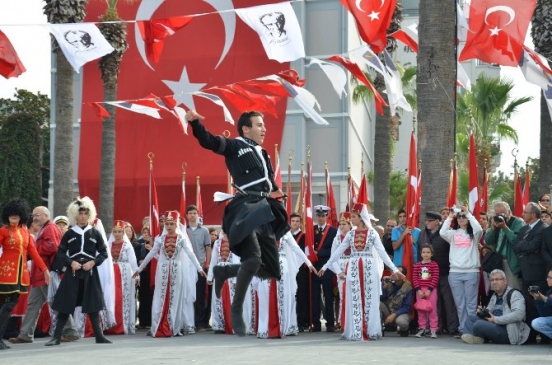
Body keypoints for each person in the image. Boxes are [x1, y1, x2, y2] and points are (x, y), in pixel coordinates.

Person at [188, 110, 289, 337]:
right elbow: (210, 141)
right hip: (244, 206)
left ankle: (224, 272)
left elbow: (270, 182)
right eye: (259, 125)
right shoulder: (235, 146)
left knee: (271, 270)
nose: (264, 129)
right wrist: (196, 122)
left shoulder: (263, 153)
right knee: (252, 257)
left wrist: (277, 192)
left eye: (264, 125)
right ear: (246, 128)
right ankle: (237, 310)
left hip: (263, 207)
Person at [319, 203, 405, 340]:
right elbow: (338, 252)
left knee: (369, 297)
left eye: (353, 216)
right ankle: (356, 329)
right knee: (354, 297)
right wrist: (325, 266)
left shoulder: (372, 234)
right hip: (353, 267)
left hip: (369, 267)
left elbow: (382, 253)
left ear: (360, 217)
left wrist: (394, 269)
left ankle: (370, 330)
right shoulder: (351, 234)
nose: (351, 219)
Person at [46, 197, 111, 346]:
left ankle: (99, 336)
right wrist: (71, 262)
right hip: (73, 273)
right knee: (65, 304)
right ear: (75, 214)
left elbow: (104, 253)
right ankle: (56, 337)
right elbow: (61, 253)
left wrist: (93, 262)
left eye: (85, 213)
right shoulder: (69, 233)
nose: (82, 216)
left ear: (90, 215)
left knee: (93, 305)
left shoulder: (95, 233)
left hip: (90, 273)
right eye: (80, 213)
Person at [9, 206, 79, 344]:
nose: (34, 218)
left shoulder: (50, 228)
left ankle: (70, 331)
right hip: (40, 273)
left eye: (37, 215)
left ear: (46, 215)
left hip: (47, 273)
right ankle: (25, 334)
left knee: (55, 302)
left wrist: (33, 249)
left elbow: (53, 246)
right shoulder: (45, 228)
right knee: (33, 304)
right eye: (33, 215)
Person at [133, 211, 206, 338]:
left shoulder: (181, 238)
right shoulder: (160, 239)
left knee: (175, 297)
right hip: (163, 269)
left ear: (176, 224)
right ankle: (158, 324)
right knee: (160, 296)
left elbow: (190, 254)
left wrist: (199, 268)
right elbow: (151, 254)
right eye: (167, 224)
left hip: (177, 270)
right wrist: (140, 268)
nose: (169, 226)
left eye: (172, 223)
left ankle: (173, 326)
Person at [0, 199, 50, 350]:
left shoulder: (25, 233)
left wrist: (44, 270)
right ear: (7, 215)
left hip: (21, 275)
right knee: (7, 305)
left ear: (21, 215)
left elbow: (34, 253)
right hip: (6, 273)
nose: (14, 216)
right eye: (11, 214)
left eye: (17, 214)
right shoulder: (3, 231)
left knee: (8, 304)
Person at [256, 231, 316, 338]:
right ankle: (266, 327)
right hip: (266, 265)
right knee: (266, 296)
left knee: (284, 296)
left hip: (282, 266)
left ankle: (284, 326)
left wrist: (308, 263)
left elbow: (296, 248)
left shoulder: (285, 231)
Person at [440, 205, 483, 337]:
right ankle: (463, 329)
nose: (462, 218)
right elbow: (442, 232)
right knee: (460, 304)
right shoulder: (452, 234)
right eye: (460, 216)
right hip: (455, 273)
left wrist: (468, 213)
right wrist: (450, 216)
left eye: (463, 216)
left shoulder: (474, 235)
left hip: (471, 272)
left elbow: (479, 229)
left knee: (471, 304)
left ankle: (471, 329)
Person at [461, 269, 529, 345]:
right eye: (492, 280)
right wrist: (482, 312)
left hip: (508, 331)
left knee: (478, 324)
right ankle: (474, 337)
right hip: (495, 325)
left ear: (505, 281)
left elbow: (519, 315)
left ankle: (477, 338)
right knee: (471, 318)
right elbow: (489, 311)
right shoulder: (495, 295)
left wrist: (496, 320)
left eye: (497, 279)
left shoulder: (515, 294)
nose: (494, 282)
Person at [418, 211, 459, 336]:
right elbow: (419, 253)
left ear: (437, 222)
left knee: (448, 301)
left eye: (429, 221)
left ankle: (452, 328)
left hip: (444, 271)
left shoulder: (445, 233)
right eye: (426, 221)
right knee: (433, 302)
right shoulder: (423, 233)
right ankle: (435, 328)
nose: (427, 223)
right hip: (427, 273)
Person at [513, 202, 547, 343]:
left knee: (538, 303)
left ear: (533, 214)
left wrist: (526, 247)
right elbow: (516, 246)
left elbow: (534, 245)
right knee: (527, 303)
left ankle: (544, 336)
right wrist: (526, 247)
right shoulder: (523, 229)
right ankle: (530, 335)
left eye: (525, 212)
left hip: (538, 273)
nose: (523, 214)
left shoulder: (543, 228)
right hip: (526, 272)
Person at [104, 220, 139, 335]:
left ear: (123, 232)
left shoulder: (127, 246)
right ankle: (111, 325)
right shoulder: (109, 244)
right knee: (112, 298)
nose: (117, 234)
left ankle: (123, 325)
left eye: (119, 231)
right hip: (112, 274)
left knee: (123, 298)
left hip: (124, 274)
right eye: (115, 232)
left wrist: (137, 275)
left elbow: (133, 261)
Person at [311, 205, 338, 332]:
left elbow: (334, 249)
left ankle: (330, 323)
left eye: (323, 216)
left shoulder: (333, 231)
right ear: (316, 216)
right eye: (319, 215)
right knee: (315, 296)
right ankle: (315, 323)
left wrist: (319, 253)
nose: (321, 218)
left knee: (328, 296)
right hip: (314, 267)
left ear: (327, 216)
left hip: (327, 266)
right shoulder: (311, 230)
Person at [207, 232, 241, 334]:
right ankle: (219, 325)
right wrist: (210, 276)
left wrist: (236, 279)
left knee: (232, 298)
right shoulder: (217, 242)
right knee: (218, 298)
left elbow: (237, 260)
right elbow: (213, 259)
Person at [485, 202, 524, 290]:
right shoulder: (495, 221)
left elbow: (516, 241)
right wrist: (492, 229)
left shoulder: (518, 222)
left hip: (511, 261)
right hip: (497, 261)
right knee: (498, 289)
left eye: (502, 214)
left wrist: (505, 228)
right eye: (497, 214)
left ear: (509, 212)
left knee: (513, 288)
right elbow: (487, 241)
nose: (500, 216)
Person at [186, 205, 212, 331]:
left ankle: (200, 322)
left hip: (200, 267)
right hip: (187, 267)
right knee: (188, 295)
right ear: (187, 215)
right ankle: (188, 321)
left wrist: (207, 263)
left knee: (200, 295)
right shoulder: (183, 230)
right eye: (190, 213)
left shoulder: (204, 231)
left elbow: (208, 248)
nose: (192, 215)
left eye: (194, 213)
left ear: (198, 215)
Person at [329, 212, 353, 330]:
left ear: (350, 225)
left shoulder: (354, 236)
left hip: (353, 268)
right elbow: (332, 257)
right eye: (340, 224)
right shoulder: (337, 239)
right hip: (341, 268)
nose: (341, 226)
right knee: (343, 296)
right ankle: (343, 322)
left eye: (344, 224)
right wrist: (339, 272)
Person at [413, 244, 440, 339]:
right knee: (421, 310)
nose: (426, 254)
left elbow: (435, 278)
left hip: (431, 290)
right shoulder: (417, 265)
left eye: (428, 252)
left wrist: (429, 290)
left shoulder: (434, 265)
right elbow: (415, 278)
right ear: (421, 254)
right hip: (420, 290)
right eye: (424, 252)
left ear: (432, 254)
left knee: (432, 310)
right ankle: (422, 328)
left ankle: (433, 329)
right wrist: (418, 290)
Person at [380, 266, 412, 337]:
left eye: (397, 272)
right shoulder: (387, 283)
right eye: (393, 271)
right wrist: (383, 288)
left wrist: (394, 314)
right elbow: (381, 298)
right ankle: (379, 327)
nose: (394, 273)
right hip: (388, 310)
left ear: (402, 276)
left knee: (402, 322)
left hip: (400, 312)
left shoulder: (407, 288)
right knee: (378, 304)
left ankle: (404, 330)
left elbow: (407, 307)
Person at [289, 212, 308, 332]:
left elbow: (305, 253)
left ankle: (301, 321)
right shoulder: (286, 236)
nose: (295, 223)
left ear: (300, 223)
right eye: (293, 221)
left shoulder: (305, 236)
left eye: (297, 221)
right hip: (289, 269)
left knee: (302, 295)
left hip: (301, 270)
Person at [136, 225, 153, 328]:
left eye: (148, 233)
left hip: (150, 273)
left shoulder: (154, 245)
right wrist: (139, 260)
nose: (146, 235)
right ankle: (142, 321)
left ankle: (150, 320)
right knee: (142, 297)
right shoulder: (139, 245)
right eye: (144, 233)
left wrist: (151, 249)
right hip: (142, 274)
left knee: (150, 297)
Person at [530, 269, 552, 342]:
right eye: (547, 277)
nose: (547, 279)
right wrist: (538, 299)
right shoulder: (549, 292)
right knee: (536, 322)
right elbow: (544, 314)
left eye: (550, 278)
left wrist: (544, 298)